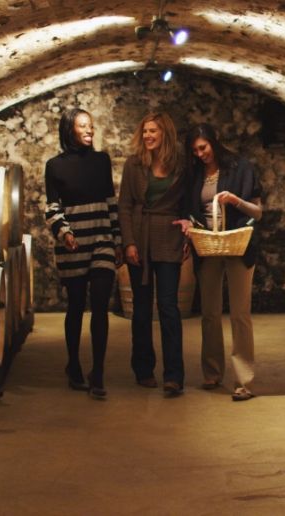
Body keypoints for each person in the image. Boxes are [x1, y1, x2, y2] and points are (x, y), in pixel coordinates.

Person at [180, 123, 262, 402]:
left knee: (240, 314)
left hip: (238, 243)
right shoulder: (194, 174)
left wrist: (236, 200)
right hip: (208, 245)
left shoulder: (240, 168)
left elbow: (258, 212)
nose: (200, 154)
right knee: (210, 313)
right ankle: (212, 373)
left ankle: (244, 381)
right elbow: (189, 209)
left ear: (214, 141)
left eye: (203, 147)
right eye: (195, 151)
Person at [44, 108, 122, 400]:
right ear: (69, 131)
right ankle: (74, 364)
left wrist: (117, 240)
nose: (90, 130)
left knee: (100, 305)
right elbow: (52, 208)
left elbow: (110, 202)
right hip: (73, 243)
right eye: (83, 126)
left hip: (101, 238)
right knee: (76, 305)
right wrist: (64, 233)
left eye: (91, 125)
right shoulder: (54, 166)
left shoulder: (102, 161)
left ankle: (98, 372)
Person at [118, 112, 188, 396]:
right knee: (142, 308)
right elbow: (124, 206)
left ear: (165, 135)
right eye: (144, 131)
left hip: (169, 236)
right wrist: (129, 242)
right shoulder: (134, 165)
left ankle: (174, 375)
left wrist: (189, 228)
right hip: (140, 236)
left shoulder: (180, 165)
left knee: (169, 308)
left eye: (153, 131)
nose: (147, 136)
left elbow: (188, 202)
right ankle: (143, 369)